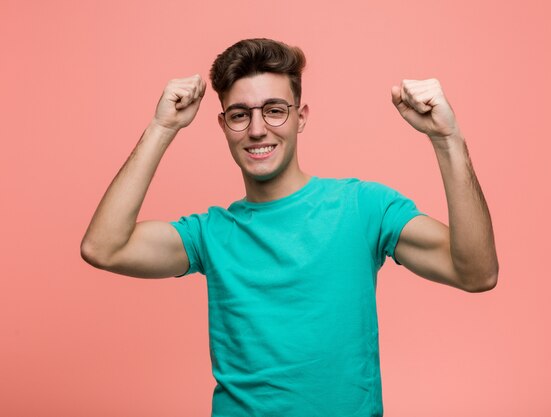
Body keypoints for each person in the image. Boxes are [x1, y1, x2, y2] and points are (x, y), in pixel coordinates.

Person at [80, 38, 498, 417]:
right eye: (241, 115)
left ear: (301, 117)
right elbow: (104, 248)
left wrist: (447, 140)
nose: (258, 129)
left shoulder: (362, 207)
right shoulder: (209, 233)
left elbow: (475, 272)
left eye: (275, 110)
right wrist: (162, 128)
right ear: (224, 125)